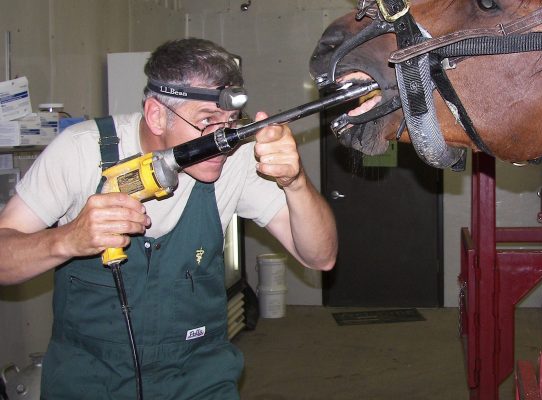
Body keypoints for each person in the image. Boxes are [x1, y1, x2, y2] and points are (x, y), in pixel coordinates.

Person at [0, 38, 337, 399]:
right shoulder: (79, 151)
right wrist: (65, 239)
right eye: (206, 121)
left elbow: (320, 256)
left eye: (228, 122)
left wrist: (296, 183)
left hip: (198, 379)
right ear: (156, 115)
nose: (221, 140)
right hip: (90, 381)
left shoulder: (237, 162)